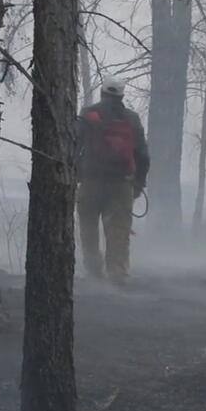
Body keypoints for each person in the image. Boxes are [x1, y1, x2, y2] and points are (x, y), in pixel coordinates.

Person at [75, 76, 150, 284]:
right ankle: (117, 274)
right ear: (122, 95)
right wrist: (138, 183)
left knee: (88, 227)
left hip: (90, 182)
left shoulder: (88, 114)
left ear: (102, 93)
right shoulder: (132, 119)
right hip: (121, 184)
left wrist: (75, 175)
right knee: (118, 230)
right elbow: (143, 155)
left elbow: (75, 144)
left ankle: (93, 272)